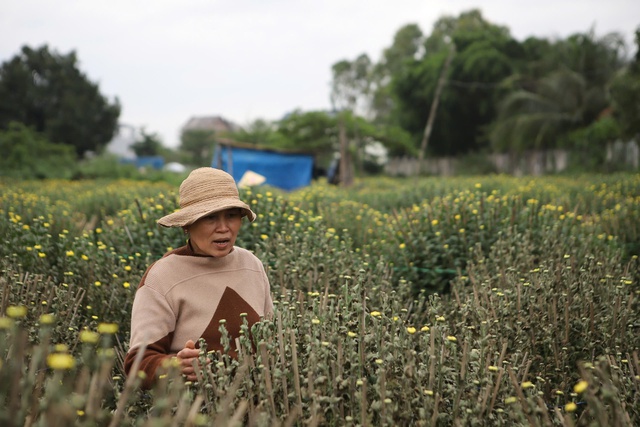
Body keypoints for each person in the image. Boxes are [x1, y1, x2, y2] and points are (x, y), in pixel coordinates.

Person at [124, 167, 274, 389]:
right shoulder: (163, 276)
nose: (223, 228)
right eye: (210, 217)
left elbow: (272, 339)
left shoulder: (251, 264)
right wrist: (175, 366)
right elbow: (138, 365)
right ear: (187, 224)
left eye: (231, 216)